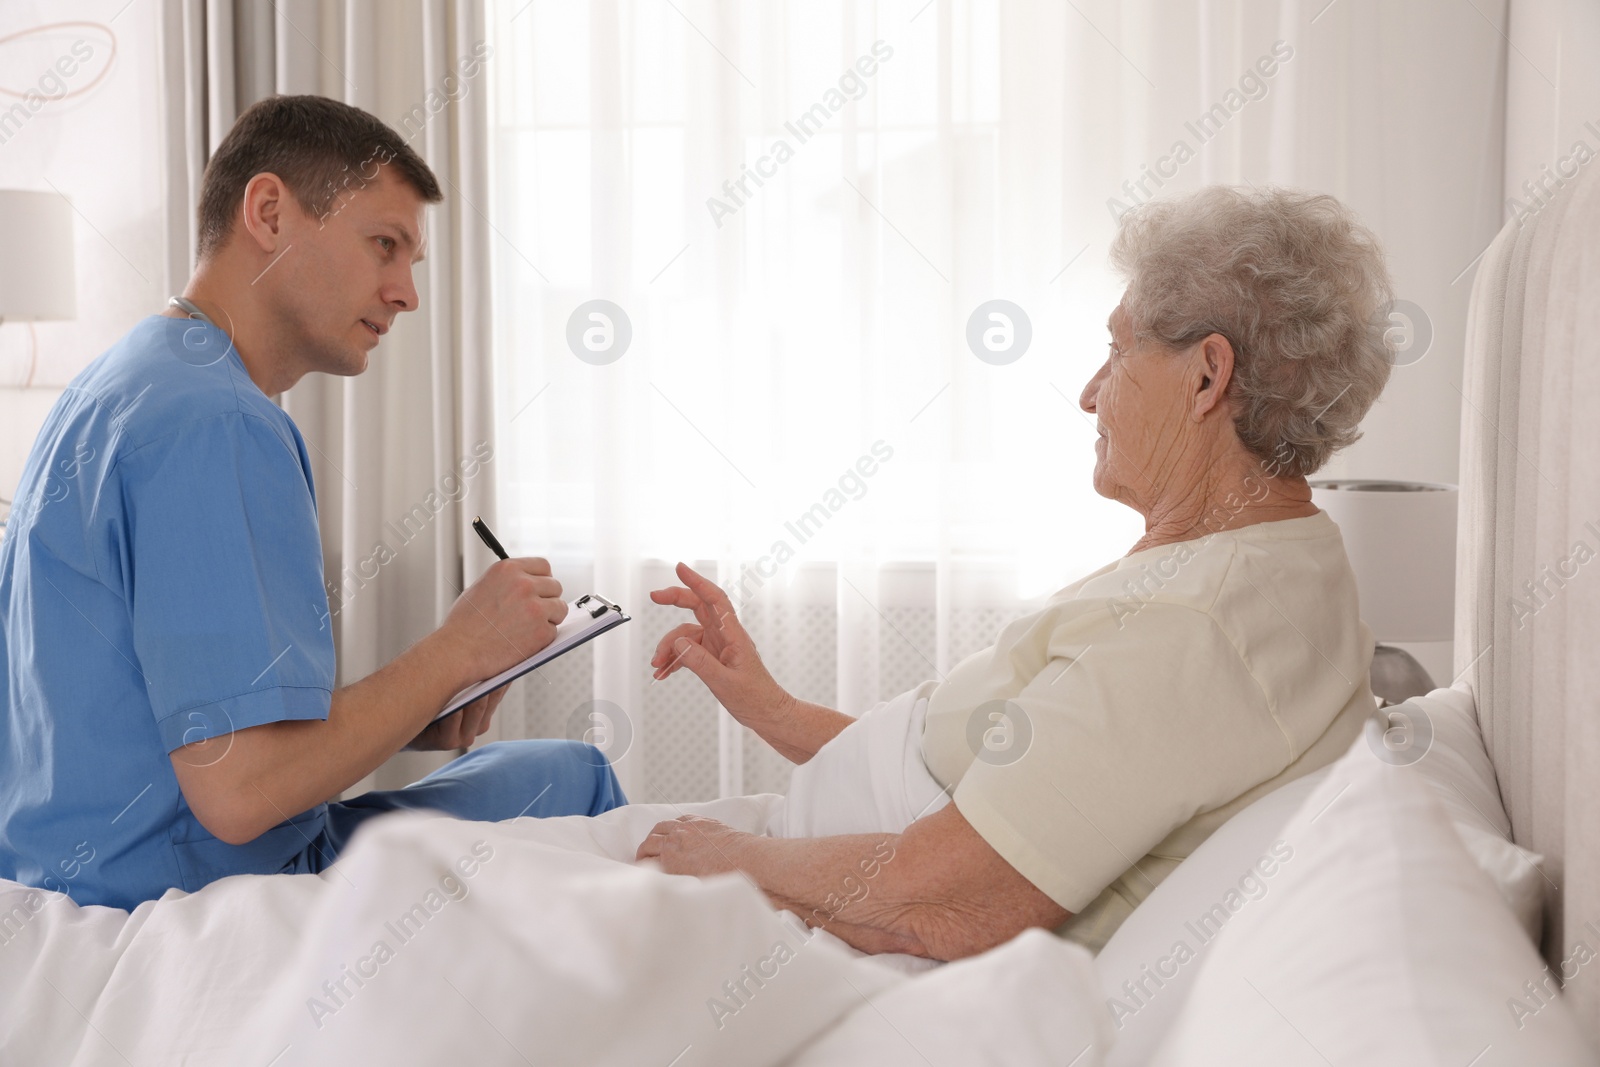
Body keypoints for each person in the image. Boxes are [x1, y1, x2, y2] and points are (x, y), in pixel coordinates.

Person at [637, 185, 1392, 959]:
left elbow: (940, 898)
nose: (1090, 394)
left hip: (815, 912)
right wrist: (776, 710)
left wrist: (723, 859)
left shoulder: (1197, 626)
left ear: (1207, 376)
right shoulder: (1278, 559)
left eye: (1118, 350)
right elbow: (1003, 784)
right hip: (809, 873)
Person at [0, 95, 623, 912]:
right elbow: (243, 794)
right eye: (384, 245)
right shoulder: (219, 422)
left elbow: (199, 727)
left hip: (70, 864)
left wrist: (423, 705)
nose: (406, 293)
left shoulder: (120, 381)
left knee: (530, 769)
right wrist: (458, 652)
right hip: (190, 883)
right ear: (268, 212)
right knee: (576, 776)